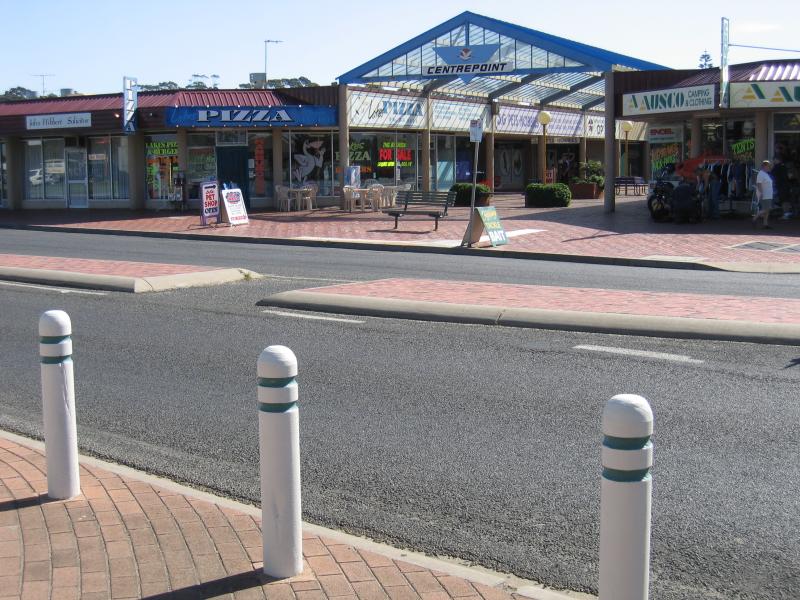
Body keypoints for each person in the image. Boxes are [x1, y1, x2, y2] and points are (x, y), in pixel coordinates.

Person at [753, 160, 774, 229]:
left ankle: (765, 224)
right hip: (765, 194)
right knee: (767, 209)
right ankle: (755, 217)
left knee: (767, 210)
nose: (770, 168)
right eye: (768, 166)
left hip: (769, 194)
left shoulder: (766, 174)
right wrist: (761, 193)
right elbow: (758, 184)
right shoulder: (761, 174)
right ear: (764, 166)